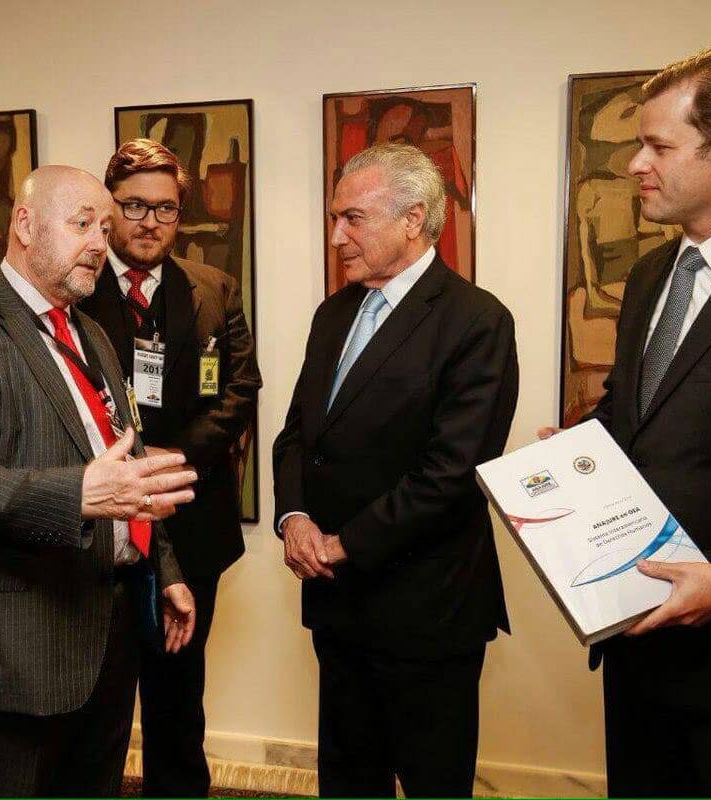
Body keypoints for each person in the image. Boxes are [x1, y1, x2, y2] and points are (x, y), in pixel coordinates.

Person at [538, 47, 711, 797]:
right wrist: (579, 457)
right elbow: (638, 415)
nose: (636, 165)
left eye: (658, 146)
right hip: (639, 652)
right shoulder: (653, 274)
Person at [0, 164, 199, 797]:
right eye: (82, 224)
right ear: (24, 224)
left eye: (104, 229)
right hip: (23, 635)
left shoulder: (90, 332)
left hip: (111, 622)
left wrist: (164, 568)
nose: (99, 243)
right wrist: (77, 495)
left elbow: (124, 467)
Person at [273, 142, 518, 798]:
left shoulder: (476, 322)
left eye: (352, 218)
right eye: (335, 218)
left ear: (413, 220)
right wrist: (294, 517)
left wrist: (343, 543)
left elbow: (452, 472)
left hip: (426, 611)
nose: (336, 236)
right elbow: (298, 435)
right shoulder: (334, 314)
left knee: (433, 783)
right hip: (337, 606)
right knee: (348, 781)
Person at [77, 138, 262, 797]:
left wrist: (170, 460)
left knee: (179, 698)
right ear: (108, 208)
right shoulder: (74, 287)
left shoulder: (213, 289)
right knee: (94, 698)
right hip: (97, 528)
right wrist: (129, 468)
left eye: (166, 208)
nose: (150, 222)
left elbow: (241, 389)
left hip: (190, 522)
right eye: (134, 206)